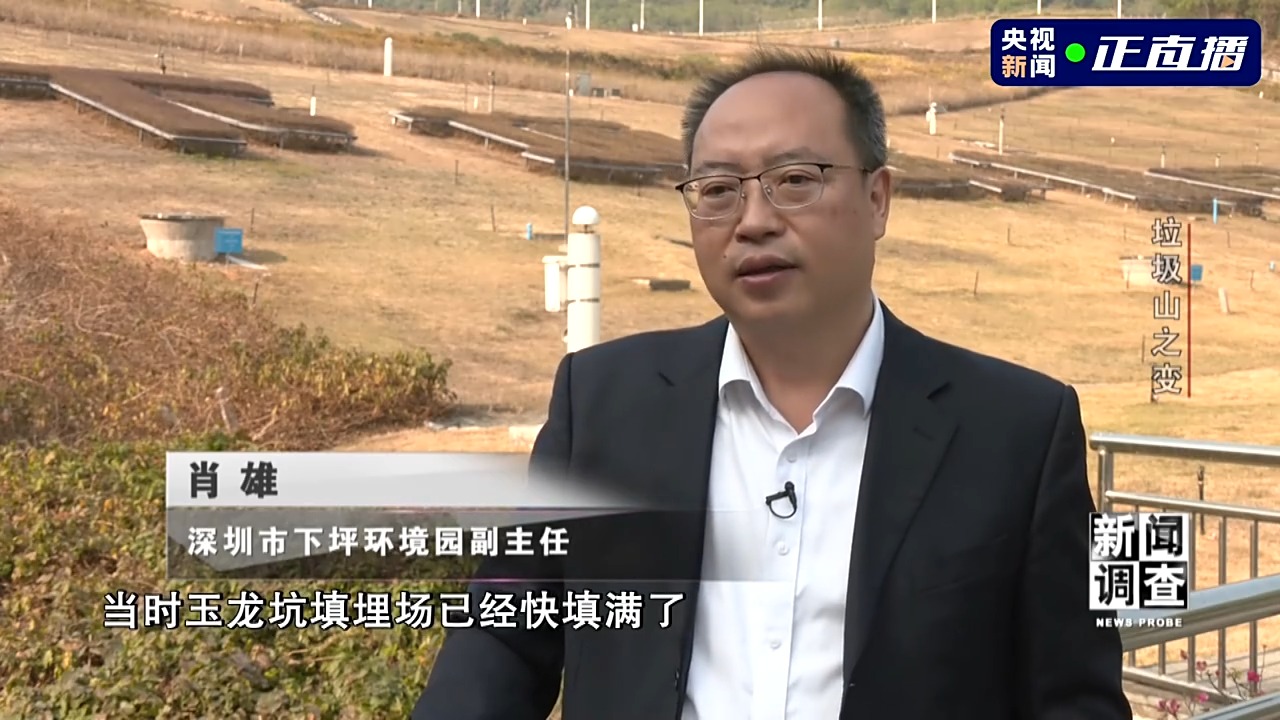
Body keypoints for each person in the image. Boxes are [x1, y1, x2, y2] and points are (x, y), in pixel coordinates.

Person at [412, 47, 1132, 720]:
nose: (753, 221)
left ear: (878, 198)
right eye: (718, 190)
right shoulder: (601, 403)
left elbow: (1075, 700)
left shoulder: (1021, 431)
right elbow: (504, 635)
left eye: (795, 181)